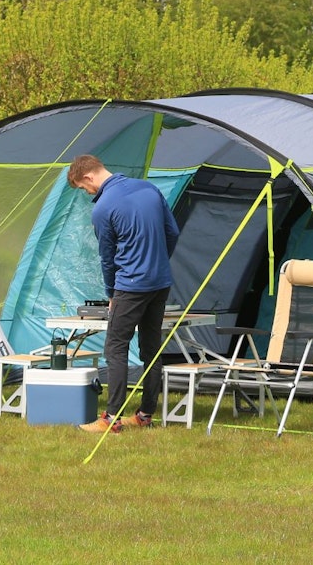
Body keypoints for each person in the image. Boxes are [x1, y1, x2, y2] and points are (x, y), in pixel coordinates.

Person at [66, 154, 179, 433]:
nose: (86, 192)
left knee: (115, 348)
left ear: (89, 177)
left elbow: (108, 258)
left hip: (130, 286)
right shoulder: (149, 189)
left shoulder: (103, 207)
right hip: (160, 283)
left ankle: (111, 419)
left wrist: (111, 293)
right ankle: (145, 415)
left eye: (83, 188)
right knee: (151, 349)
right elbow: (172, 232)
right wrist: (159, 262)